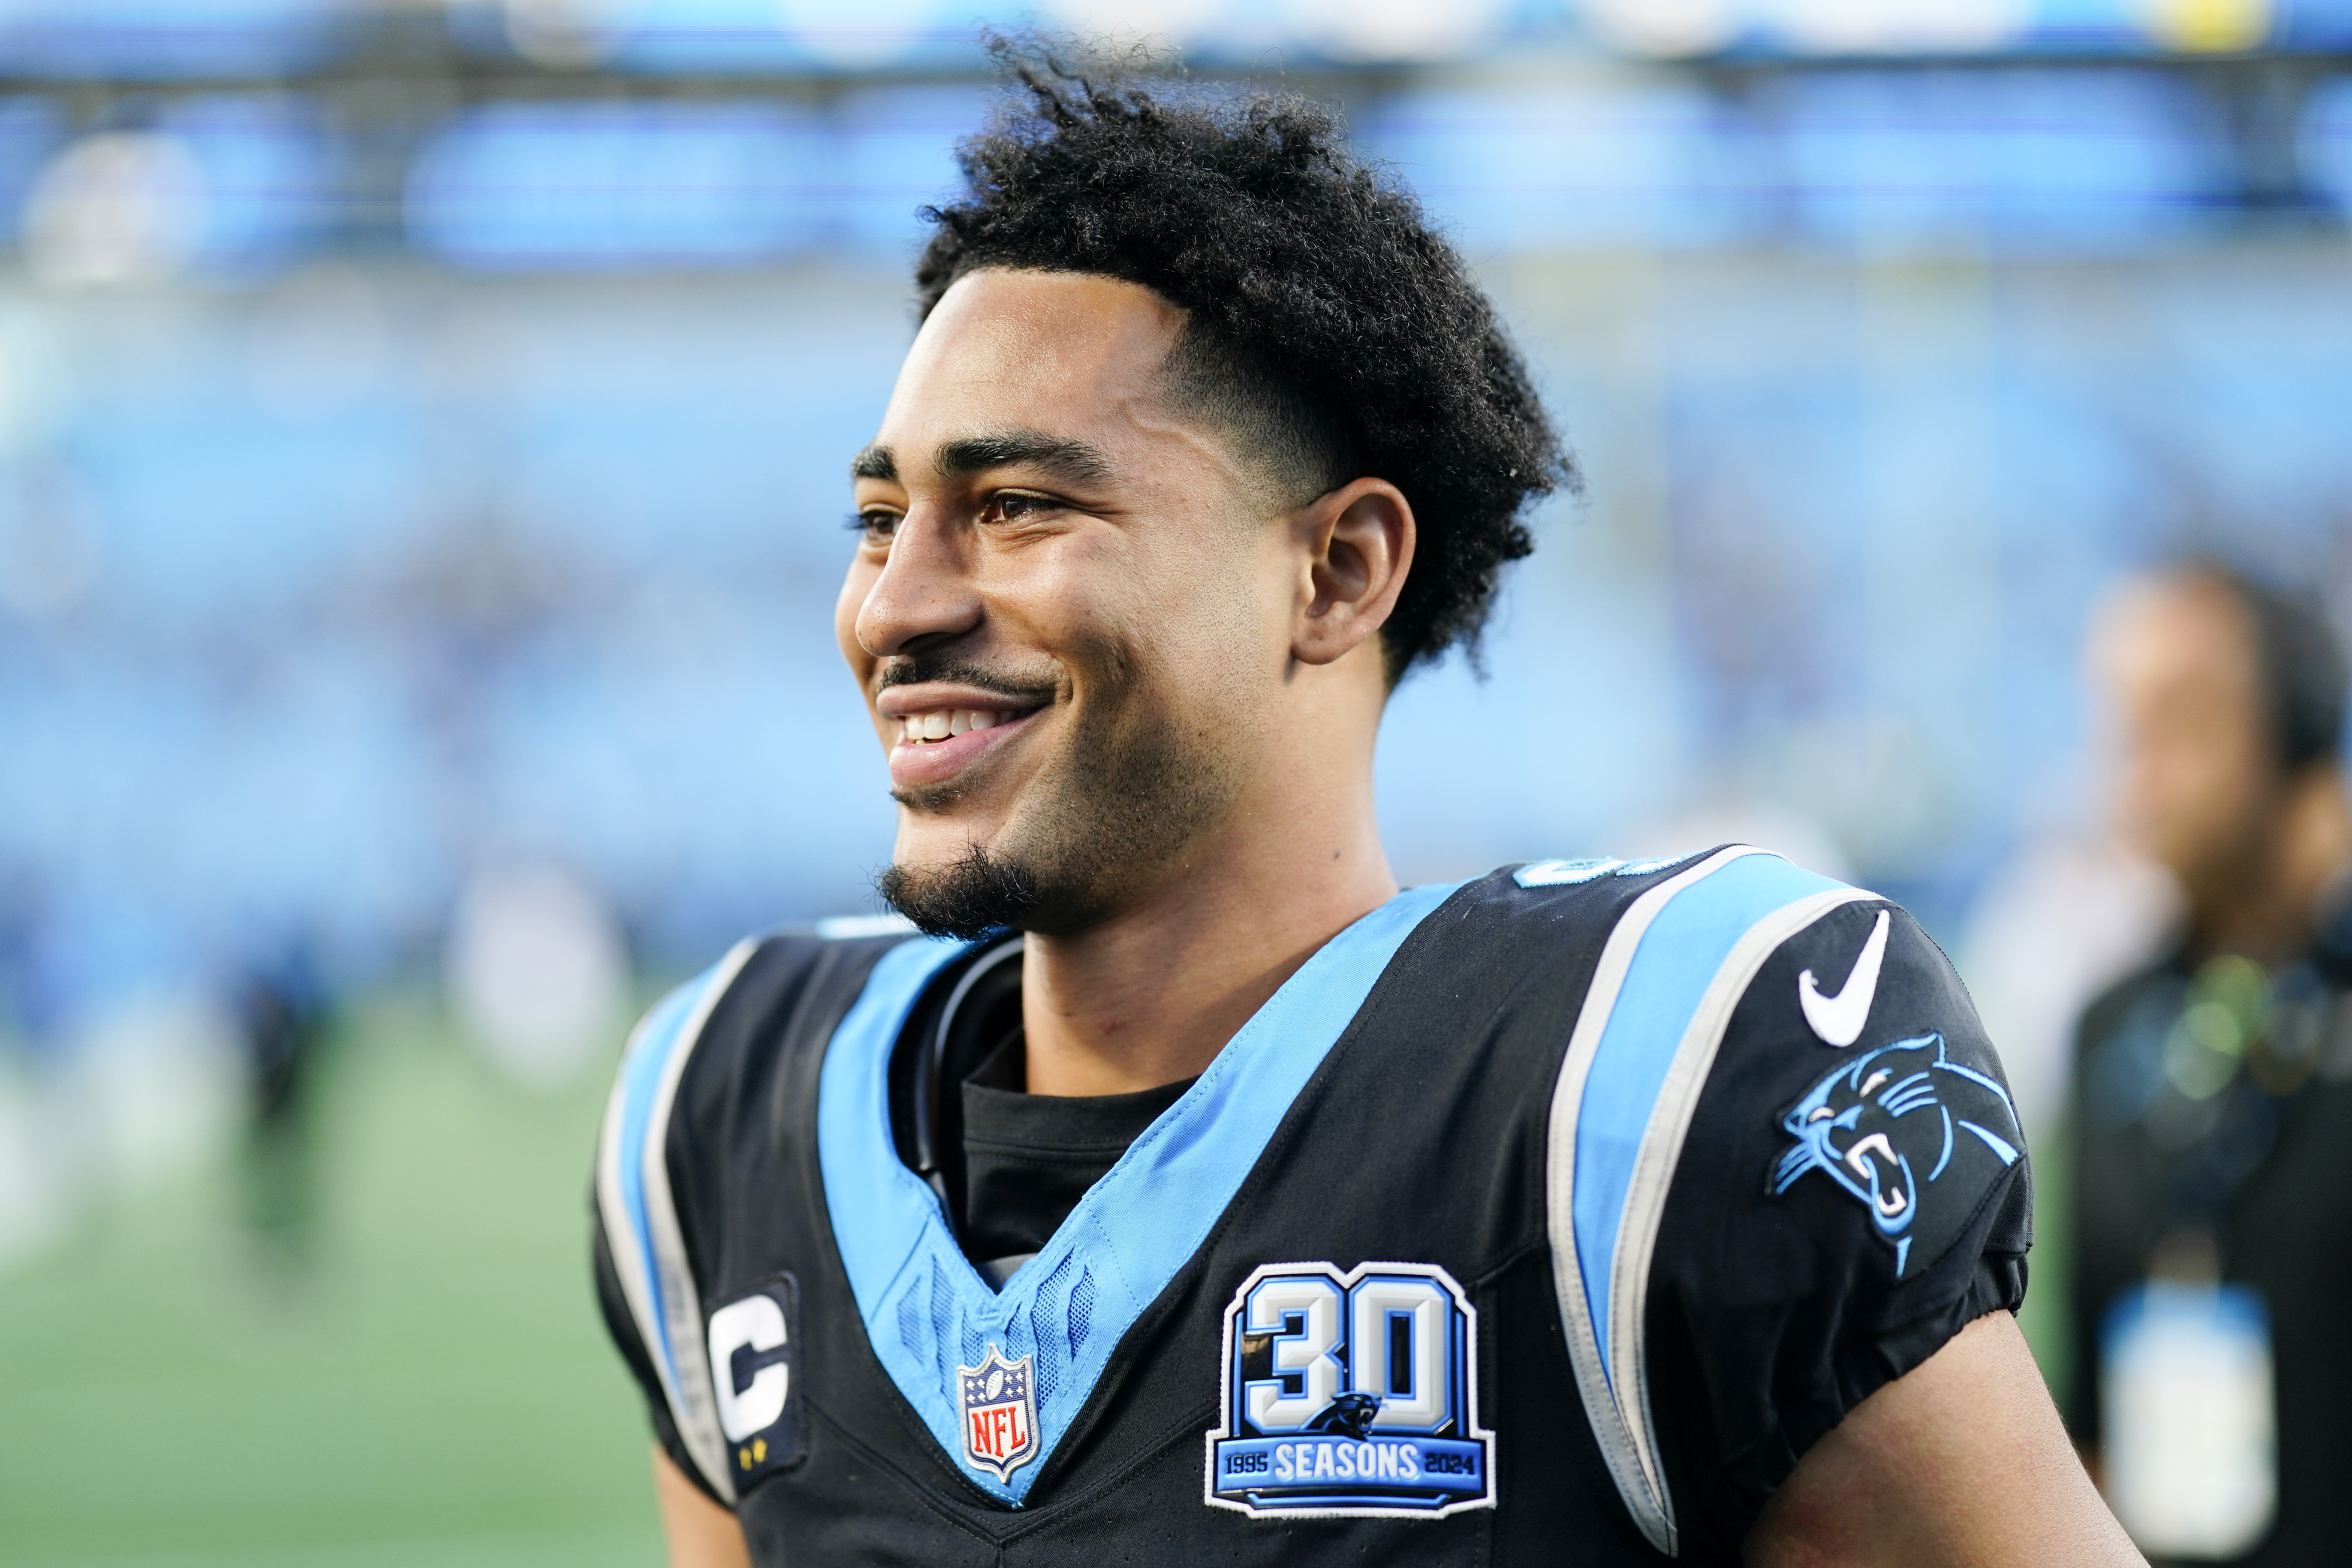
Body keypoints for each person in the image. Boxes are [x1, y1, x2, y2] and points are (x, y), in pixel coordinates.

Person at [592, 50, 2138, 1567]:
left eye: (1016, 507)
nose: (893, 603)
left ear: (1335, 571)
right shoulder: (725, 1117)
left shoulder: (1636, 1102)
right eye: (880, 518)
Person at [2068, 563, 2352, 1567]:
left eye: (2179, 719)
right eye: (2120, 722)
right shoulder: (2109, 1030)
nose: (2134, 765)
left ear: (2304, 727)